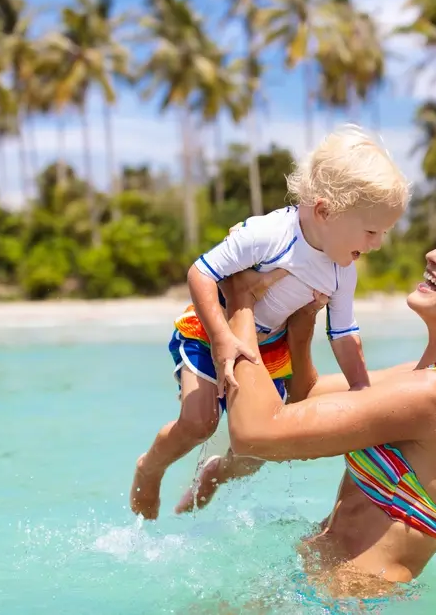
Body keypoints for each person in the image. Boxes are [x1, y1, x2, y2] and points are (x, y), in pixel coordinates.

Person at [218, 208, 436, 599]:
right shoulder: (428, 375)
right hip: (316, 591)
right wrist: (304, 319)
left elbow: (255, 434)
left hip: (339, 602)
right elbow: (305, 396)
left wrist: (240, 299)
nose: (434, 254)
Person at [129, 125, 411, 519]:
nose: (378, 244)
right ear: (325, 211)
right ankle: (151, 468)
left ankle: (214, 476)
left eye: (384, 233)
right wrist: (222, 338)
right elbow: (201, 273)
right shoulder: (269, 233)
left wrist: (363, 392)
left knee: (260, 447)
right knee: (200, 423)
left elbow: (345, 335)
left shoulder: (342, 269)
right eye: (371, 231)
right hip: (209, 332)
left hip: (271, 346)